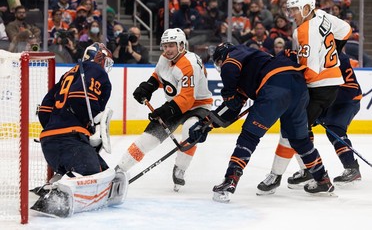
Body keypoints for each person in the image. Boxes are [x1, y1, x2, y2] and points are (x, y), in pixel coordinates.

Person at [188, 42, 336, 203]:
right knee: (299, 140)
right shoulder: (252, 61)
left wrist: (229, 93)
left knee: (249, 137)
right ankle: (323, 180)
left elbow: (230, 69)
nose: (219, 66)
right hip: (298, 87)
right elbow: (232, 108)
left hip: (274, 86)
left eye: (218, 62)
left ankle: (230, 181)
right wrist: (208, 123)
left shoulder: (233, 55)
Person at [256, 0, 352, 193]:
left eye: (295, 10)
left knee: (291, 130)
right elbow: (346, 29)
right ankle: (307, 169)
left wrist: (294, 88)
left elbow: (309, 70)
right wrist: (332, 50)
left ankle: (276, 176)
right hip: (330, 83)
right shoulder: (323, 15)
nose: (291, 14)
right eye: (290, 10)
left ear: (307, 8)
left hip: (318, 87)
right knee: (299, 130)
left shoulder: (303, 31)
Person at [31, 43, 127, 217]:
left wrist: (56, 125)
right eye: (105, 61)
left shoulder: (69, 74)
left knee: (93, 166)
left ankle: (55, 182)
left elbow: (44, 109)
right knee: (101, 173)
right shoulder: (97, 71)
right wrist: (86, 123)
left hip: (49, 143)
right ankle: (56, 198)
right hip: (71, 140)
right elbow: (80, 98)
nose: (106, 66)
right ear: (99, 58)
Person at [116, 28, 213, 192]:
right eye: (165, 46)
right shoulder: (165, 58)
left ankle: (180, 167)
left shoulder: (189, 64)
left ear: (181, 45)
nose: (167, 50)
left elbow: (187, 100)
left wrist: (163, 111)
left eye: (171, 46)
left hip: (198, 106)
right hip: (175, 104)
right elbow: (158, 76)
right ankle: (120, 169)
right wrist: (147, 87)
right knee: (148, 138)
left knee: (191, 129)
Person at [256, 52, 362, 195]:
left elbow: (350, 90)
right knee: (302, 127)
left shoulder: (337, 57)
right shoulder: (306, 53)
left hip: (346, 100)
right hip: (326, 99)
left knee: (335, 129)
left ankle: (352, 168)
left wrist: (321, 105)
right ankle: (308, 170)